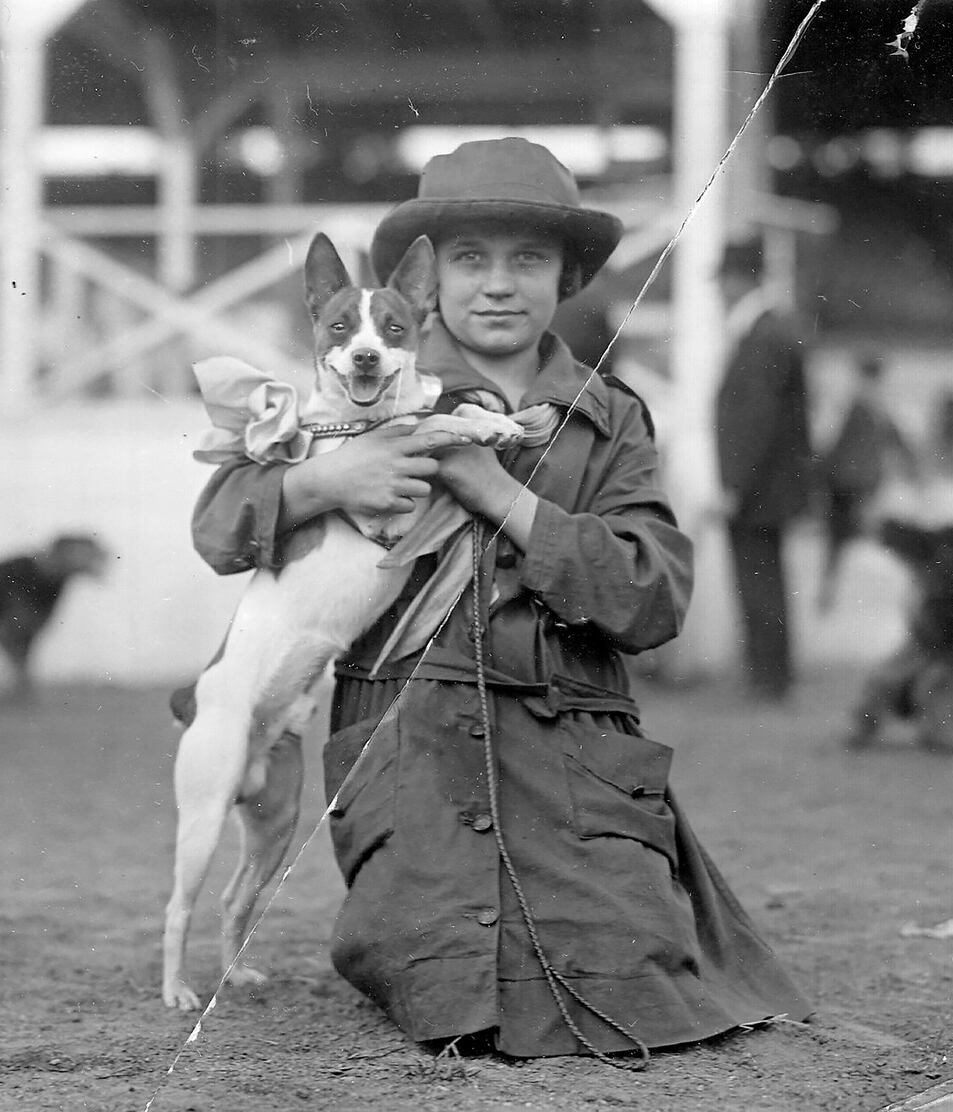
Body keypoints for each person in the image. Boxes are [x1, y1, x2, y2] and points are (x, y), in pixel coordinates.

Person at [189, 137, 810, 1059]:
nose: (497, 285)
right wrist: (329, 482)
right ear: (425, 279)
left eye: (529, 259)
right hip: (409, 747)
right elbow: (217, 526)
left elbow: (654, 595)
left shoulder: (614, 417)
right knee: (442, 974)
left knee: (630, 971)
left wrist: (504, 497)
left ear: (569, 278)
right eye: (469, 259)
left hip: (574, 750)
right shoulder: (361, 387)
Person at [711, 235, 816, 702]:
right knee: (765, 578)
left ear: (739, 281)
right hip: (772, 485)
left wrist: (733, 484)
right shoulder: (772, 329)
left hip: (758, 488)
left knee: (759, 581)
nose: (720, 292)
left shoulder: (761, 336)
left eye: (724, 282)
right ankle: (769, 674)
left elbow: (755, 419)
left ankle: (768, 678)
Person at [816, 352, 919, 614]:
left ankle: (831, 593)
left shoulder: (854, 403)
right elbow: (898, 440)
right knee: (860, 534)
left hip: (845, 480)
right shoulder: (877, 404)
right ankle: (840, 594)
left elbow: (834, 443)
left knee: (840, 539)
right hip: (864, 480)